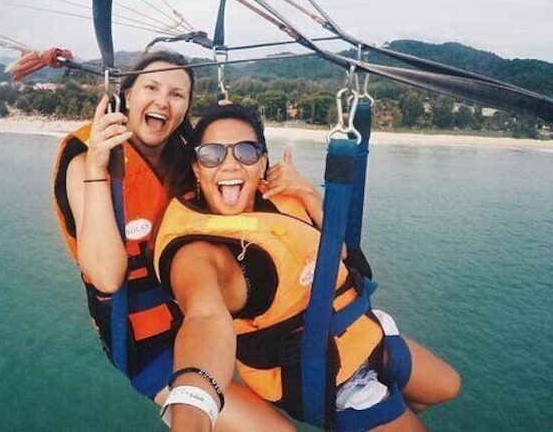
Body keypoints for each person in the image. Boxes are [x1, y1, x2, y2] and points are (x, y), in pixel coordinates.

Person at [153, 104, 461, 431]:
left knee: (447, 386)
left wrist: (307, 192)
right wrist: (192, 405)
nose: (229, 163)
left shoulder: (278, 198)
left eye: (245, 151)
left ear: (262, 163)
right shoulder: (199, 252)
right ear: (197, 168)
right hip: (319, 370)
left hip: (356, 331)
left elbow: (337, 252)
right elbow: (205, 318)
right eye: (212, 154)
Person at [53, 52, 295, 430]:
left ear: (184, 109)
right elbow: (105, 276)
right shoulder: (86, 162)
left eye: (177, 94)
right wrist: (99, 169)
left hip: (205, 308)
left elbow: (240, 203)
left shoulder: (185, 159)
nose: (163, 101)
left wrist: (295, 190)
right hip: (149, 340)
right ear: (127, 96)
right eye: (151, 87)